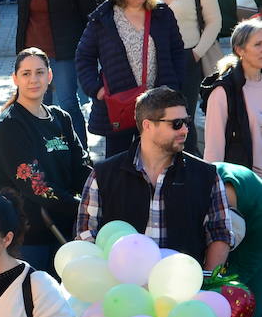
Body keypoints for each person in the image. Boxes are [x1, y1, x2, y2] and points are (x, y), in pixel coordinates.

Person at [76, 86, 230, 268]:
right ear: (148, 125)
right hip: (121, 292)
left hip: (184, 290)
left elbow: (220, 233)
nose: (185, 130)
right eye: (176, 124)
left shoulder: (207, 175)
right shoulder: (103, 174)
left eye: (186, 122)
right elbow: (86, 235)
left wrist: (207, 282)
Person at [0, 49, 93, 271]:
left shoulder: (61, 118)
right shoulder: (11, 125)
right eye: (26, 74)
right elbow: (37, 186)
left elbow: (81, 167)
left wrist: (98, 194)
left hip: (63, 229)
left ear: (49, 76)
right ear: (15, 79)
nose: (33, 80)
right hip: (28, 235)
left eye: (39, 72)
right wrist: (80, 207)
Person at [75, 0, 186, 157]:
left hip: (158, 103)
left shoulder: (162, 15)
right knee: (120, 161)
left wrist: (174, 84)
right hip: (121, 103)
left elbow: (177, 51)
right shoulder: (103, 19)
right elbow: (84, 56)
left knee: (161, 156)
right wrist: (96, 89)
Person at [15, 0, 98, 145]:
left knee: (68, 103)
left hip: (63, 52)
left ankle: (79, 152)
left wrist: (90, 49)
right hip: (33, 52)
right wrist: (20, 52)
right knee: (38, 103)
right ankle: (48, 150)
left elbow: (90, 13)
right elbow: (23, 16)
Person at [152, 0, 221, 152]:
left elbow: (214, 21)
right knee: (160, 118)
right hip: (157, 60)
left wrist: (197, 53)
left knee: (184, 118)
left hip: (187, 59)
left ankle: (191, 171)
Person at [202, 18, 262, 169]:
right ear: (239, 50)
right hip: (245, 182)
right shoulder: (223, 91)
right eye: (258, 44)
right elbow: (213, 148)